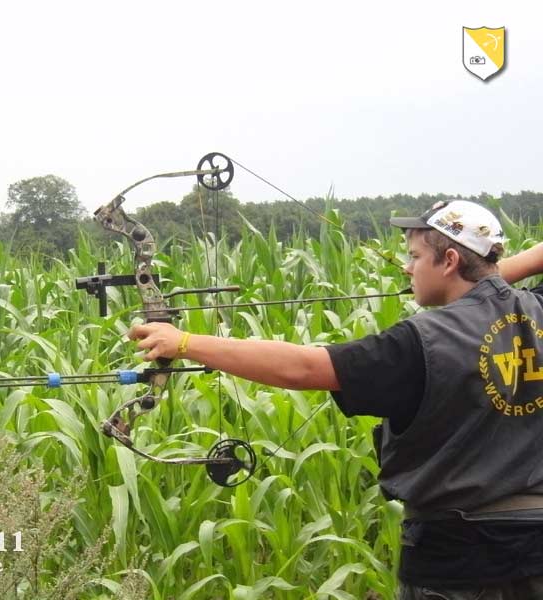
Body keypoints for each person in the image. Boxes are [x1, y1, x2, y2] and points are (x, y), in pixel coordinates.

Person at [128, 199, 543, 598]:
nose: (406, 266)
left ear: (450, 260)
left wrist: (182, 341)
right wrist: (486, 282)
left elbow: (305, 368)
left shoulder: (422, 343)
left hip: (459, 562)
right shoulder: (537, 309)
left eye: (415, 256)